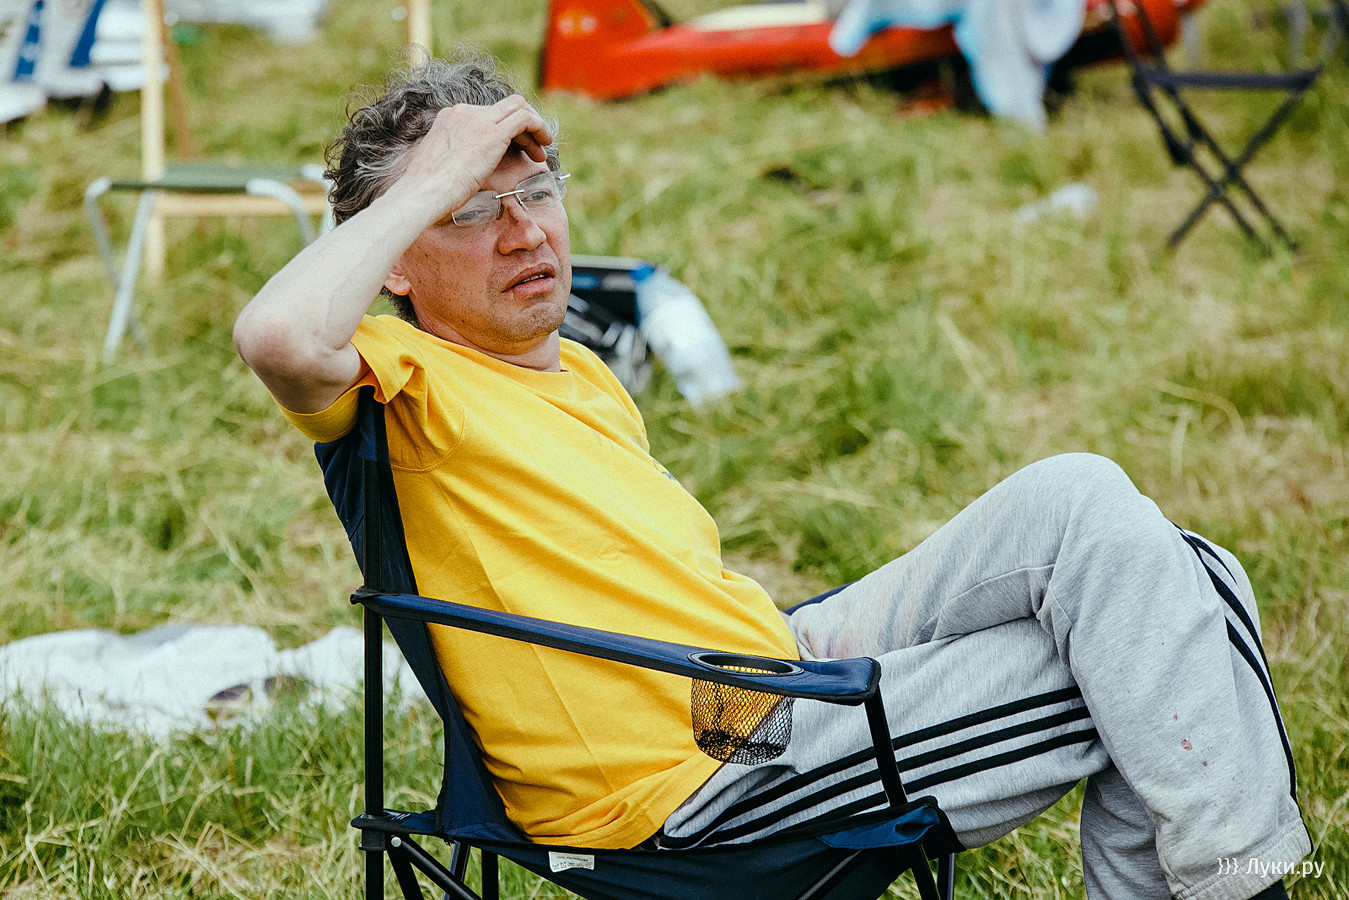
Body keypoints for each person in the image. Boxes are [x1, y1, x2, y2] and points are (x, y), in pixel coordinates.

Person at [233, 52, 1310, 900]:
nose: (523, 233)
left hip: (762, 670)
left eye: (536, 191)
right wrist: (432, 172)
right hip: (700, 779)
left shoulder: (579, 373)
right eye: (471, 210)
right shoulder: (396, 378)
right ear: (396, 260)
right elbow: (276, 335)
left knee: (1114, 522)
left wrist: (464, 183)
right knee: (1162, 632)